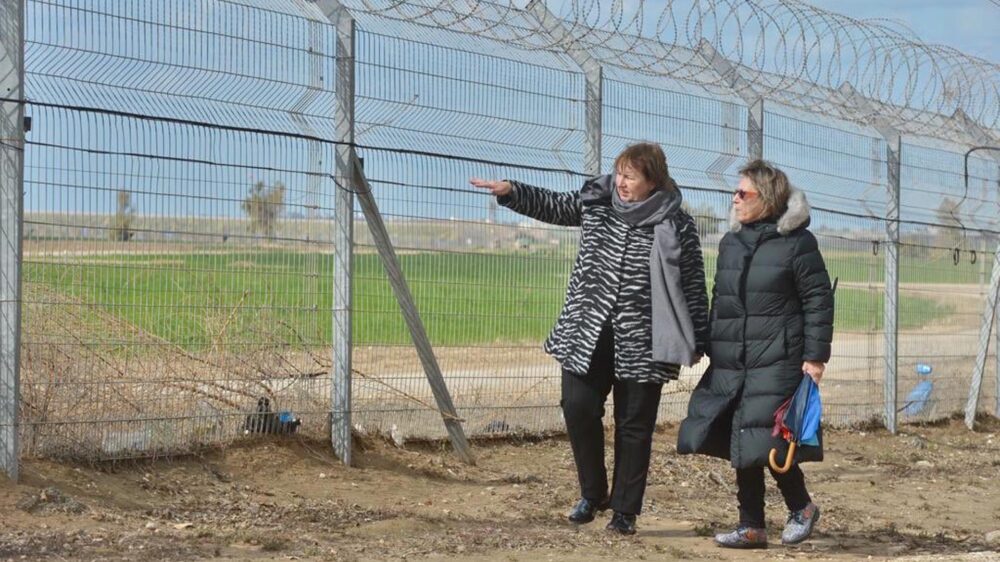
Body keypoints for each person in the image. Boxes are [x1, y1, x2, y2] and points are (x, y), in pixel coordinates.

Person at [471, 143, 709, 535]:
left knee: (634, 426)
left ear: (653, 181)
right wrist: (512, 191)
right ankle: (593, 493)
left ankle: (624, 511)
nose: (621, 182)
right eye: (619, 173)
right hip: (588, 331)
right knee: (577, 406)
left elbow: (693, 285)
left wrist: (697, 337)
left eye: (630, 176)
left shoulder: (677, 223)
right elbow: (556, 205)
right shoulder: (600, 204)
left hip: (644, 340)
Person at [677, 159, 834, 548]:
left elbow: (818, 301)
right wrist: (709, 344)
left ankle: (801, 508)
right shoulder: (731, 243)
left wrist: (815, 359)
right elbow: (722, 299)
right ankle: (751, 525)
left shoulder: (798, 243)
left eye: (742, 192)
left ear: (766, 199)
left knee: (769, 439)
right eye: (735, 191)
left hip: (778, 357)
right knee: (740, 436)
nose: (735, 198)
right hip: (735, 358)